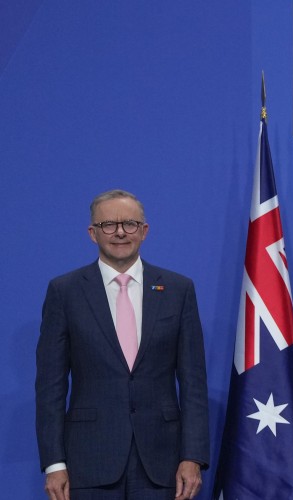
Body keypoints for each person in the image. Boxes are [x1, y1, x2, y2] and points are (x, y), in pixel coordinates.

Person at [36, 189, 210, 500]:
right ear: (92, 233)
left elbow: (194, 383)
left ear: (144, 231)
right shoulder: (65, 291)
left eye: (129, 224)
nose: (119, 232)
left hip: (163, 462)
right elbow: (50, 387)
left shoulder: (178, 289)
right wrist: (54, 463)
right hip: (88, 462)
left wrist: (192, 456)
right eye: (108, 225)